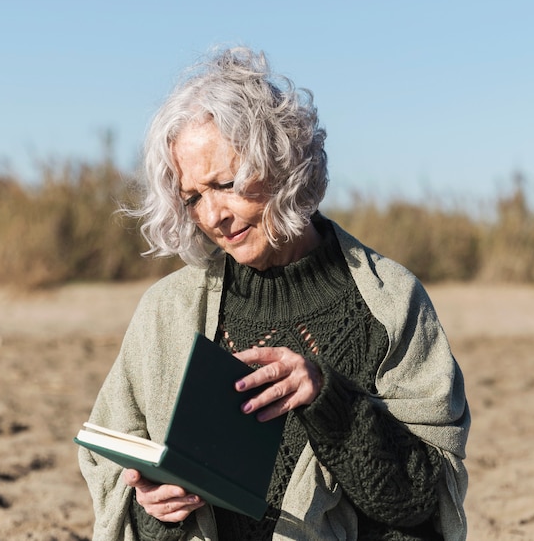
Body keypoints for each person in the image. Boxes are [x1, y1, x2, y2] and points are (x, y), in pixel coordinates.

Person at [78, 46, 470, 541]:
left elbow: (422, 502)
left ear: (284, 160)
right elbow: (112, 468)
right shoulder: (165, 312)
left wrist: (330, 401)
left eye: (226, 183)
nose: (212, 215)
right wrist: (154, 506)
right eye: (194, 197)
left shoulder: (389, 300)